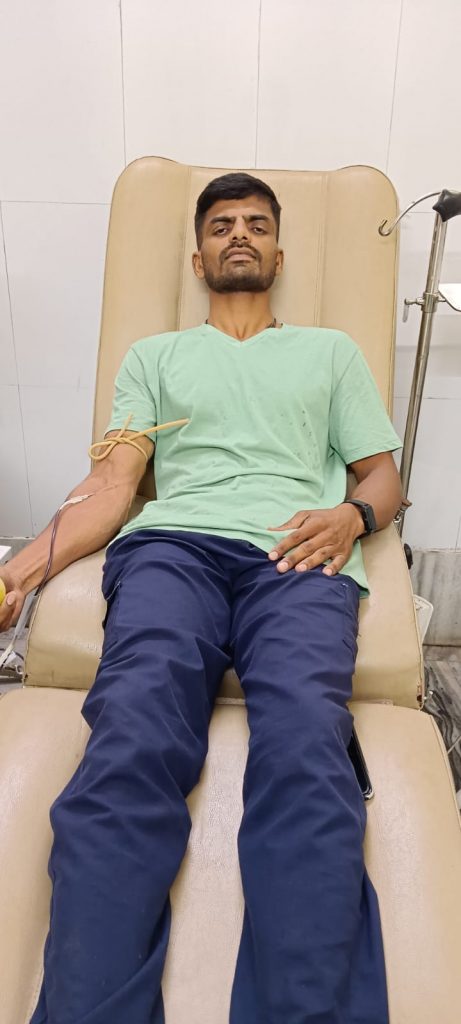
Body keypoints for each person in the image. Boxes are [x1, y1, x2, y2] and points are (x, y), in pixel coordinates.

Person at [0, 172, 402, 1024]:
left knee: (306, 742)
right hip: (172, 551)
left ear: (278, 255)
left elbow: (381, 475)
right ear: (198, 258)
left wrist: (352, 516)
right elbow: (114, 484)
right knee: (132, 732)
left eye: (256, 223)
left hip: (295, 553)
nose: (239, 234)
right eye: (221, 225)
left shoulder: (329, 352)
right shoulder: (154, 358)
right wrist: (20, 571)